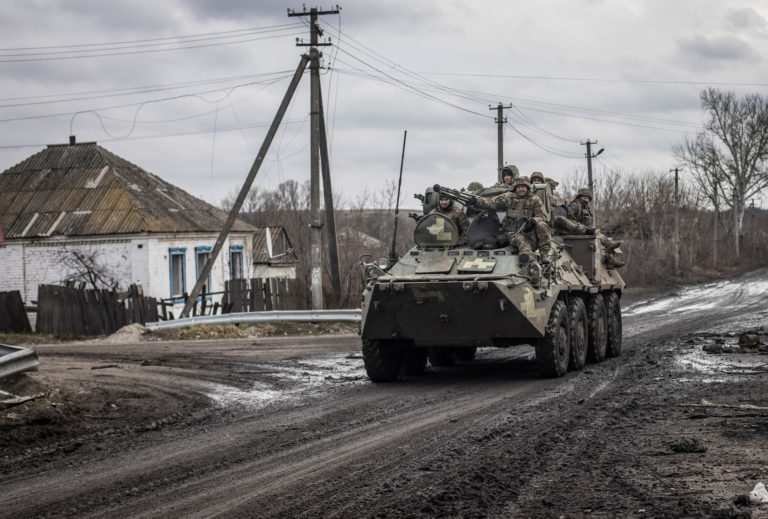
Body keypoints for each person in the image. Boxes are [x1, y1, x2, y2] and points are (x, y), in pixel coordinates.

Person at [466, 177, 552, 264]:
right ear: (515, 188)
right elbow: (492, 203)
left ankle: (544, 255)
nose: (521, 189)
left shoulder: (535, 199)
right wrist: (476, 201)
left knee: (542, 225)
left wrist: (533, 221)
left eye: (523, 187)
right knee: (520, 240)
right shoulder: (508, 197)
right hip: (512, 232)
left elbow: (542, 215)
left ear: (527, 187)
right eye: (518, 187)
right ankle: (532, 262)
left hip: (529, 232)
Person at [554, 188, 624, 268]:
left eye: (588, 198)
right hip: (574, 230)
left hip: (582, 230)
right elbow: (566, 216)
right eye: (584, 197)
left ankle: (610, 259)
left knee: (598, 242)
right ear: (579, 197)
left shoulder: (586, 209)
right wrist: (578, 226)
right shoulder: (575, 205)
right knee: (596, 235)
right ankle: (608, 245)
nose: (586, 200)